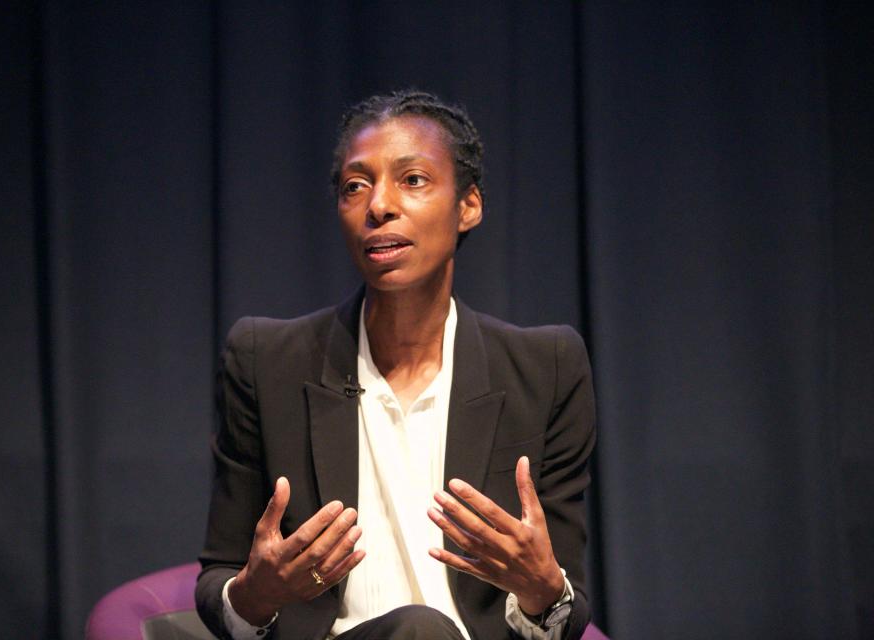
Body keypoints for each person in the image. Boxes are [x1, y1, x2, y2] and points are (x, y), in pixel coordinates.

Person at [195, 90, 597, 640]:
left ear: (468, 205)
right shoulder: (267, 362)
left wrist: (541, 588)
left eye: (412, 180)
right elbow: (218, 579)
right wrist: (256, 593)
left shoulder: (545, 368)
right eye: (355, 186)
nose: (378, 205)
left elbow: (563, 610)